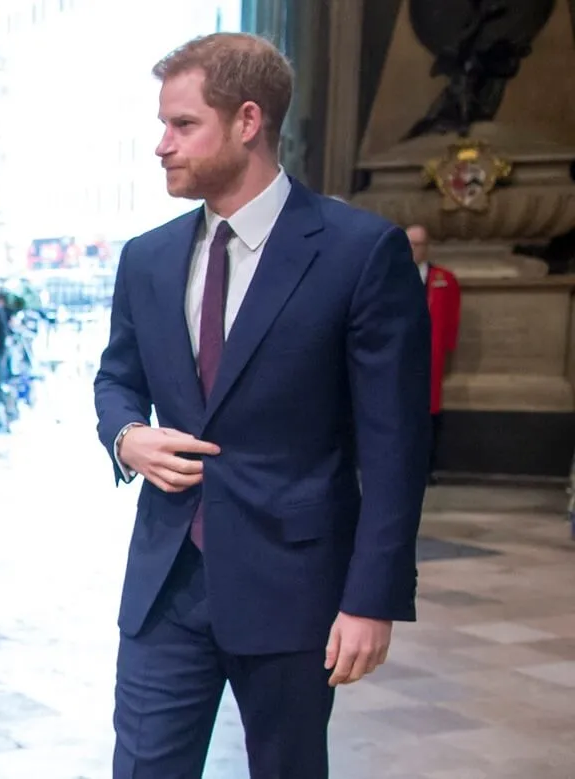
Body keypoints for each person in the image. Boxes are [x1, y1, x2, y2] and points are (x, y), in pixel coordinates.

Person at [93, 33, 431, 778]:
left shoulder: (358, 252)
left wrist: (371, 600)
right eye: (163, 125)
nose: (160, 145)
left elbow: (396, 448)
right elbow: (116, 377)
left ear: (248, 121)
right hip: (165, 584)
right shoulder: (145, 258)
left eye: (182, 125)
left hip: (294, 588)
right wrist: (127, 437)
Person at [407, 223, 461, 481]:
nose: (414, 250)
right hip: (398, 356)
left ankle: (426, 467)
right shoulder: (390, 275)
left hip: (431, 356)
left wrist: (447, 349)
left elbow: (451, 319)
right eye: (409, 244)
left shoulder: (443, 279)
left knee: (429, 413)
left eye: (418, 244)